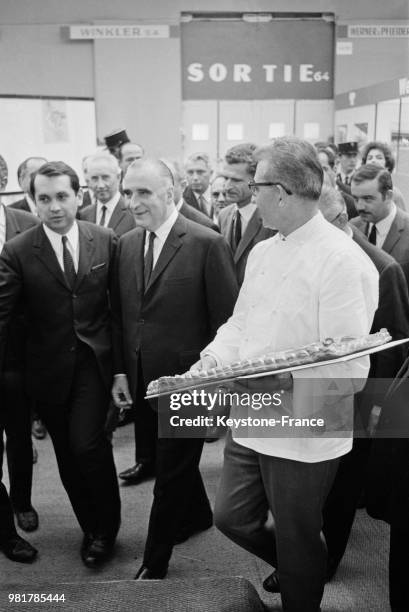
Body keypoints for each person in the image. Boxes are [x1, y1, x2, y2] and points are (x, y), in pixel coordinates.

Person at [193, 137, 378, 612]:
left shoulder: (342, 261)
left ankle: (302, 592)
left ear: (282, 192)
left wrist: (278, 384)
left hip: (305, 424)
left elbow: (350, 368)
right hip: (253, 412)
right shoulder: (264, 251)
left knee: (297, 535)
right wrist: (212, 360)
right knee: (231, 517)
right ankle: (304, 565)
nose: (251, 196)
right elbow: (241, 323)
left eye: (255, 186)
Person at [111, 158, 238, 578]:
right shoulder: (127, 243)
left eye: (143, 192)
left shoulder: (206, 242)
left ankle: (155, 561)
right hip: (145, 380)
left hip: (190, 383)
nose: (133, 201)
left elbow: (227, 321)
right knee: (177, 464)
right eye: (128, 193)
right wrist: (121, 372)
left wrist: (215, 382)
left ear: (170, 193)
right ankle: (198, 515)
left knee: (169, 474)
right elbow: (125, 317)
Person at [0, 161, 121, 568]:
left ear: (79, 196)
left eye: (62, 197)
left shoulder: (105, 240)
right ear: (33, 202)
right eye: (44, 198)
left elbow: (118, 311)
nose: (54, 207)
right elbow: (3, 316)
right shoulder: (17, 251)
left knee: (88, 444)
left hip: (94, 364)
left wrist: (121, 369)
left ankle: (107, 528)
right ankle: (92, 528)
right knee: (67, 455)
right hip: (46, 371)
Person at [318, 187, 409, 579]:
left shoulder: (381, 267)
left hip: (358, 394)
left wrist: (375, 408)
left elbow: (394, 345)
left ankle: (328, 559)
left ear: (341, 220)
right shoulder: (319, 255)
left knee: (342, 483)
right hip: (318, 388)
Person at [0, 157, 38, 563]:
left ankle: (23, 501)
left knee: (20, 434)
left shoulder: (26, 223)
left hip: (21, 356)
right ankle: (6, 532)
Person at [218, 143, 275, 286]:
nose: (227, 186)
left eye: (236, 180)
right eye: (225, 178)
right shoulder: (224, 215)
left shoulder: (273, 219)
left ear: (256, 180)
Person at [350, 164, 409, 288]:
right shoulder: (352, 228)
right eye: (355, 198)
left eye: (368, 199)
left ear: (388, 196)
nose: (360, 206)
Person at [78, 153, 135, 236]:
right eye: (94, 178)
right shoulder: (84, 215)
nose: (100, 185)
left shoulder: (132, 211)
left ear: (118, 177)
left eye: (105, 178)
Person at [361, 140, 407, 211]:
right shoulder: (359, 190)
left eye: (379, 157)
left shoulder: (395, 194)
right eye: (370, 158)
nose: (373, 160)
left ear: (387, 165)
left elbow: (404, 220)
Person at [183, 152, 213, 218]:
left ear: (211, 173)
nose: (195, 178)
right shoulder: (181, 200)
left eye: (200, 172)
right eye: (190, 172)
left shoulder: (222, 195)